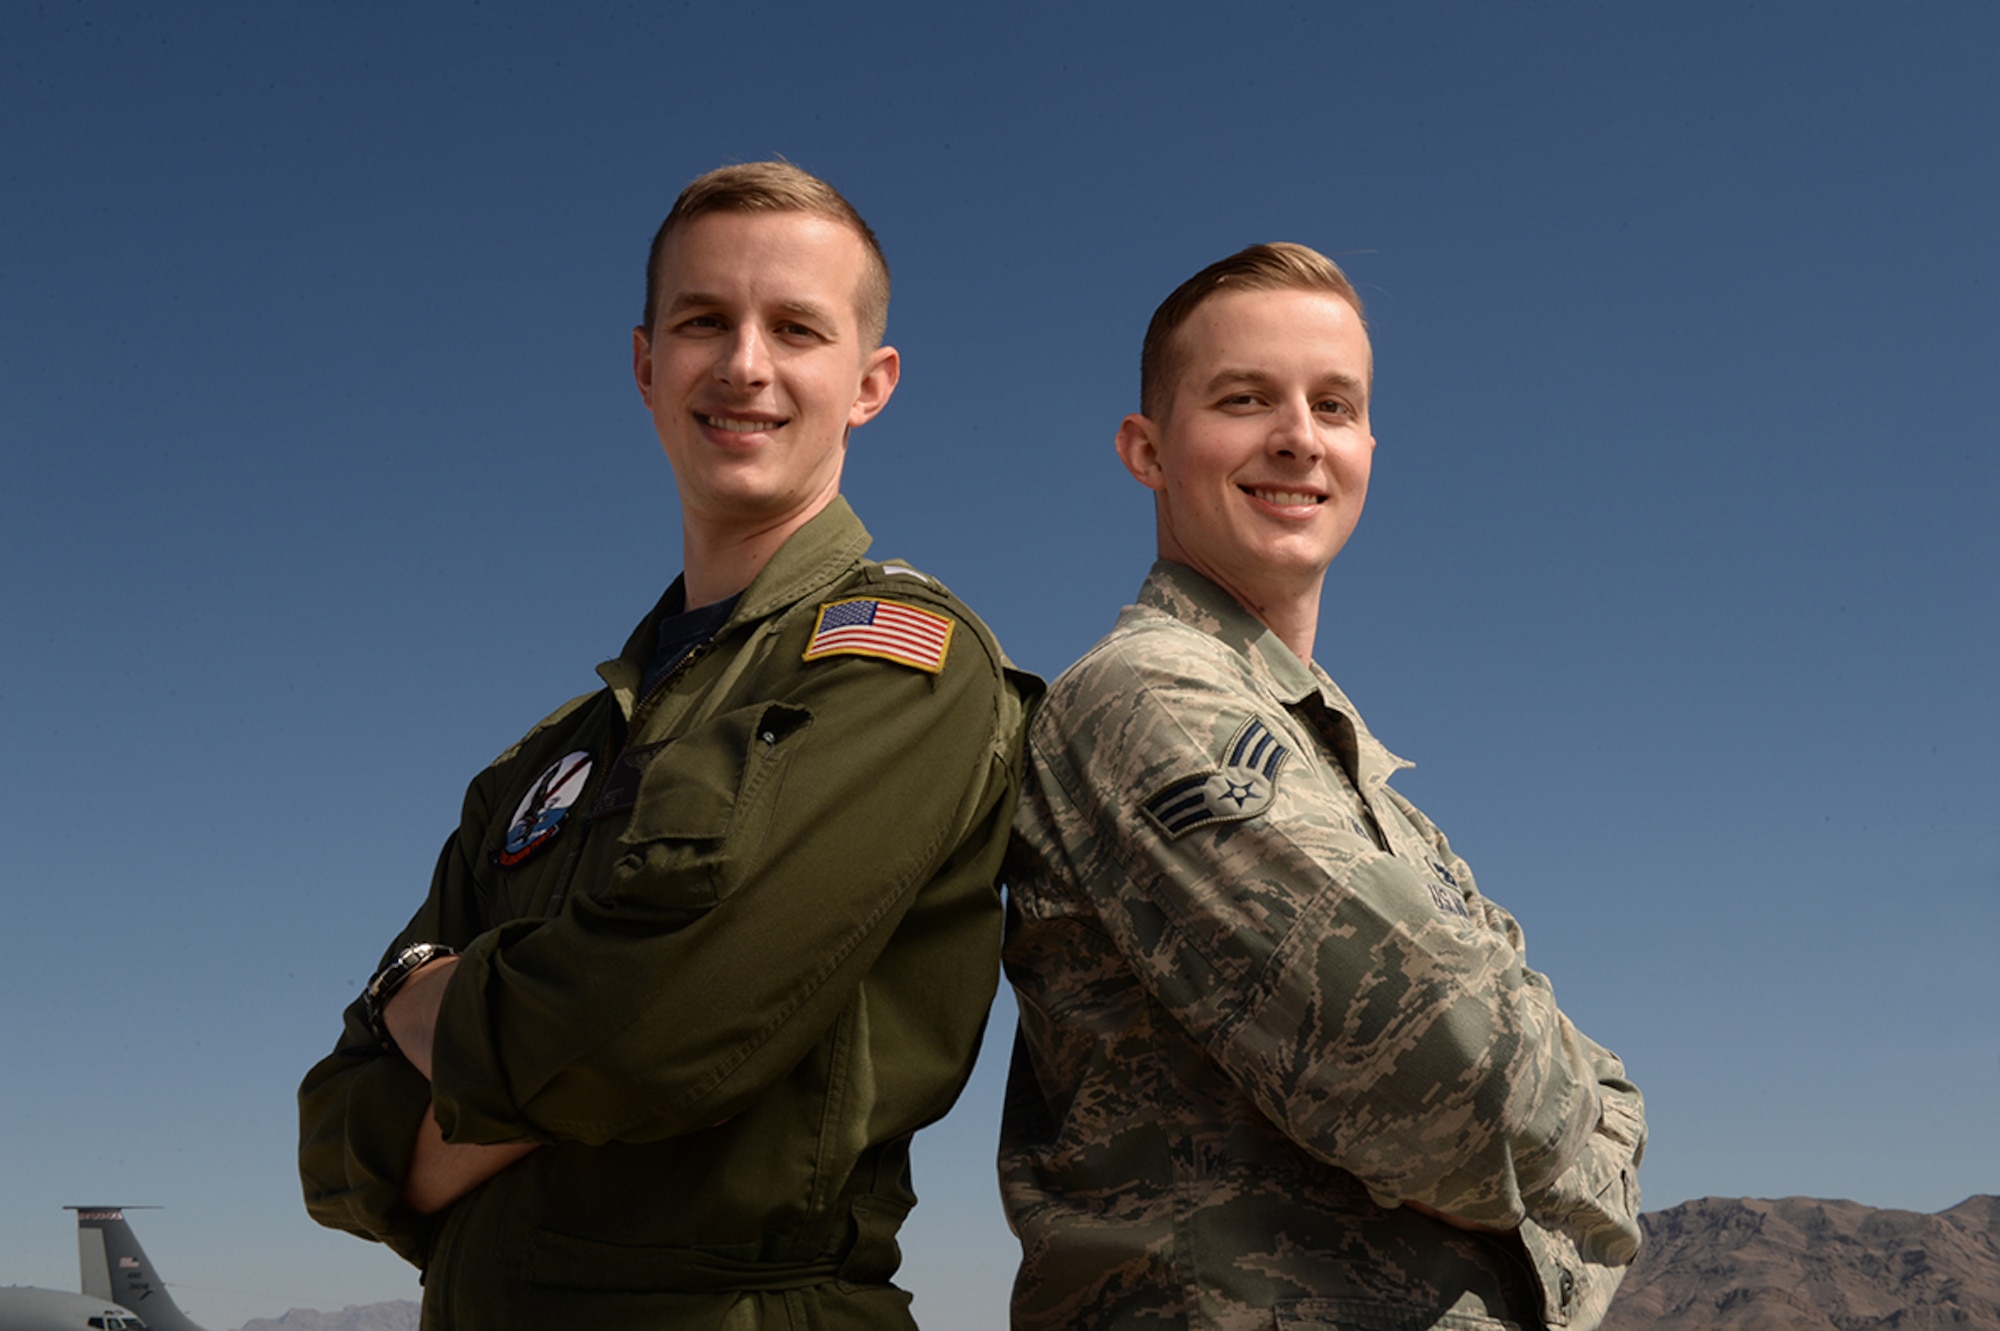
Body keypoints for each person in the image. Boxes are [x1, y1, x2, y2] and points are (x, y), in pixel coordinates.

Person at [299, 161, 1038, 1331]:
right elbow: (336, 1135)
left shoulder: (903, 667)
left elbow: (646, 1037)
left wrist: (430, 1003)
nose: (744, 363)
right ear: (646, 365)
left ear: (869, 384)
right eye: (705, 321)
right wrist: (543, 1054)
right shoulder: (545, 759)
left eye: (796, 328)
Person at [999, 243, 1645, 1331]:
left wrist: (1563, 1103)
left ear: (1367, 447)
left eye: (1332, 404)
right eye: (1244, 398)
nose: (1297, 436)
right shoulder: (1145, 702)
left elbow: (1595, 1093)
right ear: (1145, 448)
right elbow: (1465, 1081)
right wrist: (1571, 1132)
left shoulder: (1355, 775)